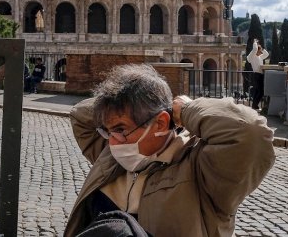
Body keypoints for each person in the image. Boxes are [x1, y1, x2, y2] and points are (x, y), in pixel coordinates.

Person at [65, 64, 275, 237]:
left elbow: (250, 133)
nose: (112, 142)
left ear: (160, 123)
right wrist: (120, 101)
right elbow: (79, 115)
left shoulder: (201, 170)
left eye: (120, 129)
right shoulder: (112, 156)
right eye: (108, 131)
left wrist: (186, 110)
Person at [246, 39, 269, 110]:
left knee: (258, 91)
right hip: (257, 75)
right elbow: (255, 49)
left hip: (260, 75)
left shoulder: (259, 57)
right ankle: (255, 105)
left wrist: (262, 47)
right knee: (260, 91)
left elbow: (267, 54)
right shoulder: (252, 56)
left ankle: (254, 105)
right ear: (257, 51)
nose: (261, 52)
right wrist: (255, 42)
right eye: (260, 51)